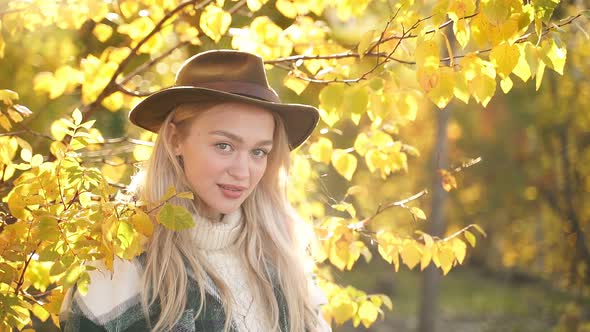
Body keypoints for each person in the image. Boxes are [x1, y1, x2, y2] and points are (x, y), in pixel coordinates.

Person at [59, 49, 332, 332]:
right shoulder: (124, 260)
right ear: (176, 139)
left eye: (259, 152)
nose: (242, 171)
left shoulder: (281, 254)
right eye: (224, 146)